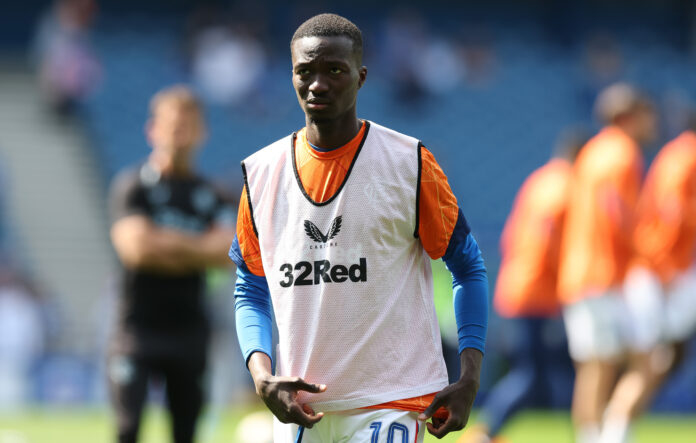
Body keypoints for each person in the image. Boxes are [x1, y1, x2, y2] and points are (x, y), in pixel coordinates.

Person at [228, 13, 489, 443]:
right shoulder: (260, 175)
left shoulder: (409, 163)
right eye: (304, 71)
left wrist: (470, 375)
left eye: (334, 70)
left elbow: (468, 267)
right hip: (300, 407)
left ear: (361, 76)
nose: (317, 84)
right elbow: (250, 288)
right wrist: (260, 373)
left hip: (390, 400)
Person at [108, 85, 236, 443]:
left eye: (188, 125)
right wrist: (197, 247)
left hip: (190, 332)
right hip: (136, 331)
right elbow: (136, 250)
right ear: (153, 129)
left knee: (185, 433)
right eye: (172, 125)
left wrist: (161, 240)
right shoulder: (132, 186)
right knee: (127, 429)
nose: (180, 134)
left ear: (203, 132)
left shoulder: (215, 194)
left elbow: (227, 253)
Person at [459, 130, 586, 443]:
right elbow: (550, 246)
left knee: (544, 374)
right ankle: (484, 433)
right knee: (534, 375)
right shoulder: (567, 187)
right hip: (540, 293)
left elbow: (511, 237)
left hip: (519, 286)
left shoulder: (539, 182)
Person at [556, 83, 657, 443]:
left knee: (593, 368)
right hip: (607, 273)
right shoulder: (623, 152)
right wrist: (647, 249)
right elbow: (618, 211)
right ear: (628, 116)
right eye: (648, 114)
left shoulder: (592, 152)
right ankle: (614, 434)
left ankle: (590, 437)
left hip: (577, 273)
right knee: (650, 360)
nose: (653, 122)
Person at [600, 124, 696, 443]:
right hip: (661, 273)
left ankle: (615, 431)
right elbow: (674, 214)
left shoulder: (676, 154)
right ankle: (613, 433)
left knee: (656, 360)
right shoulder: (686, 157)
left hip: (658, 271)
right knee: (652, 359)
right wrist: (666, 266)